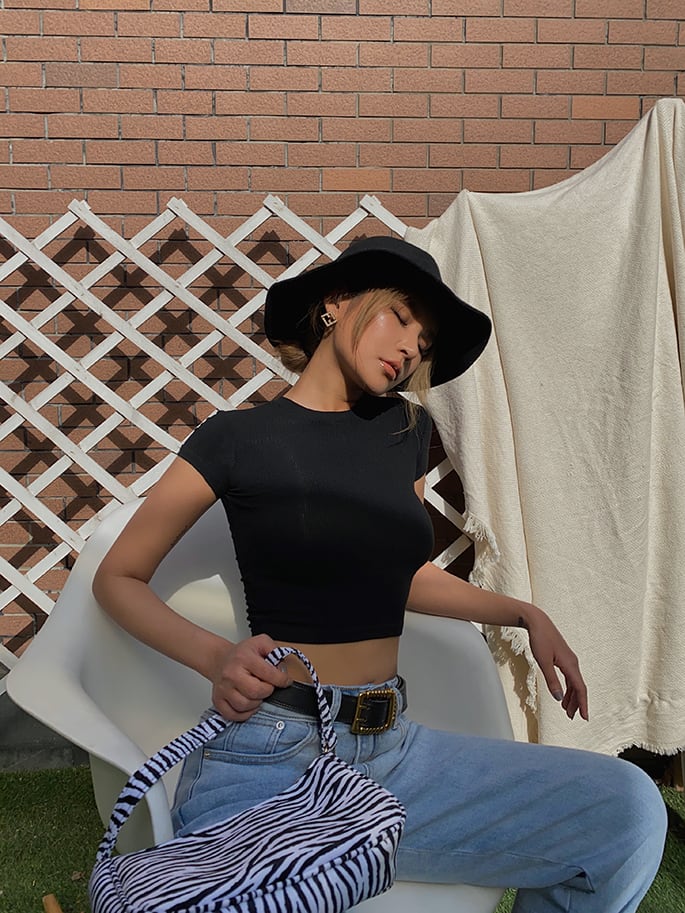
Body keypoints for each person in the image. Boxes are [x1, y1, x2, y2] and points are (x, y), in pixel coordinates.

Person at [93, 236, 666, 912]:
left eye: (425, 342)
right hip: (271, 757)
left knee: (625, 811)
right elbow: (118, 576)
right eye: (401, 316)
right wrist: (215, 656)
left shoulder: (403, 432)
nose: (410, 348)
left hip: (394, 754)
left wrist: (523, 613)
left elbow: (404, 573)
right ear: (335, 302)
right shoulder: (235, 440)